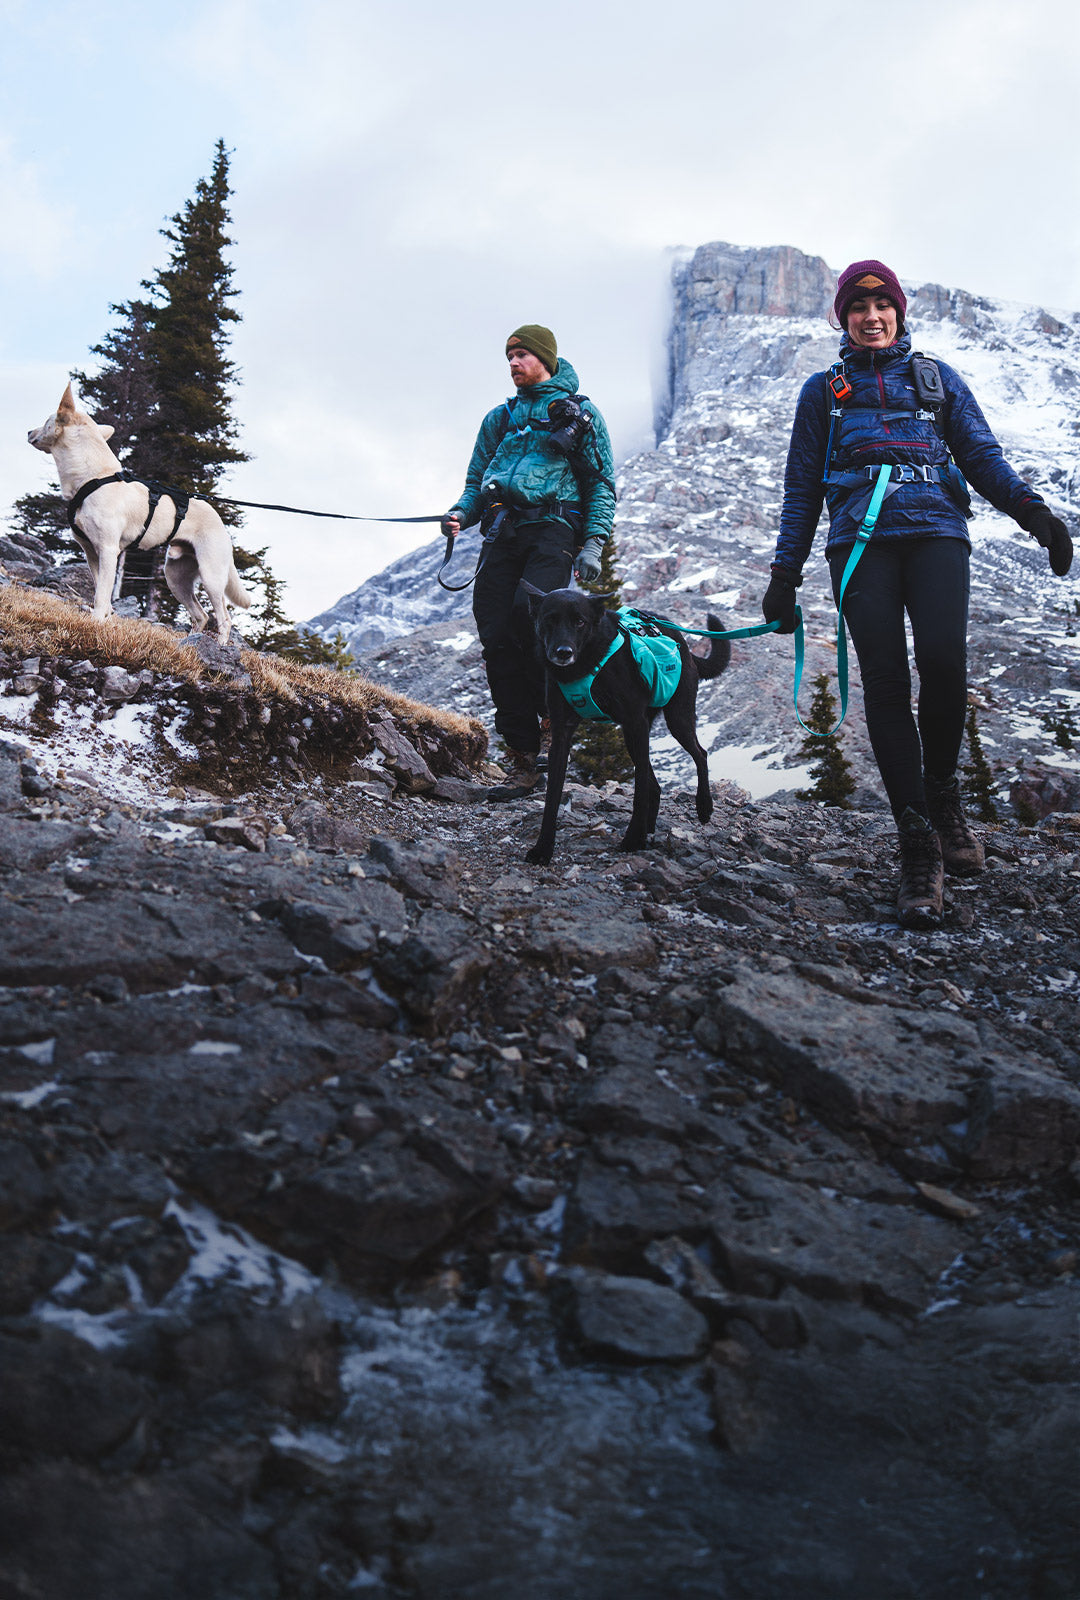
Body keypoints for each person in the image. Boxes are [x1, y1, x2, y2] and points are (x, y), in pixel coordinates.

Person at [762, 259, 1074, 928]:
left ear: (899, 313)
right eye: (858, 307)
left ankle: (943, 800)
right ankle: (916, 842)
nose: (871, 316)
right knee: (883, 678)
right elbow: (800, 491)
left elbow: (983, 455)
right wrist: (783, 575)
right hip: (860, 541)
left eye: (883, 305)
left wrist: (1033, 511)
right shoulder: (823, 394)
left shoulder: (936, 381)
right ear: (842, 319)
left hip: (936, 532)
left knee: (941, 661)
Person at [444, 325, 616, 798]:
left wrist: (593, 544)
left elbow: (601, 484)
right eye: (509, 357)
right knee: (495, 632)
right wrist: (462, 512)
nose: (513, 363)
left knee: (531, 613)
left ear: (545, 358)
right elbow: (477, 479)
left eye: (521, 355)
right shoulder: (498, 419)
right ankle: (522, 756)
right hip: (502, 530)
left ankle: (551, 725)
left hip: (554, 529)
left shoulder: (580, 414)